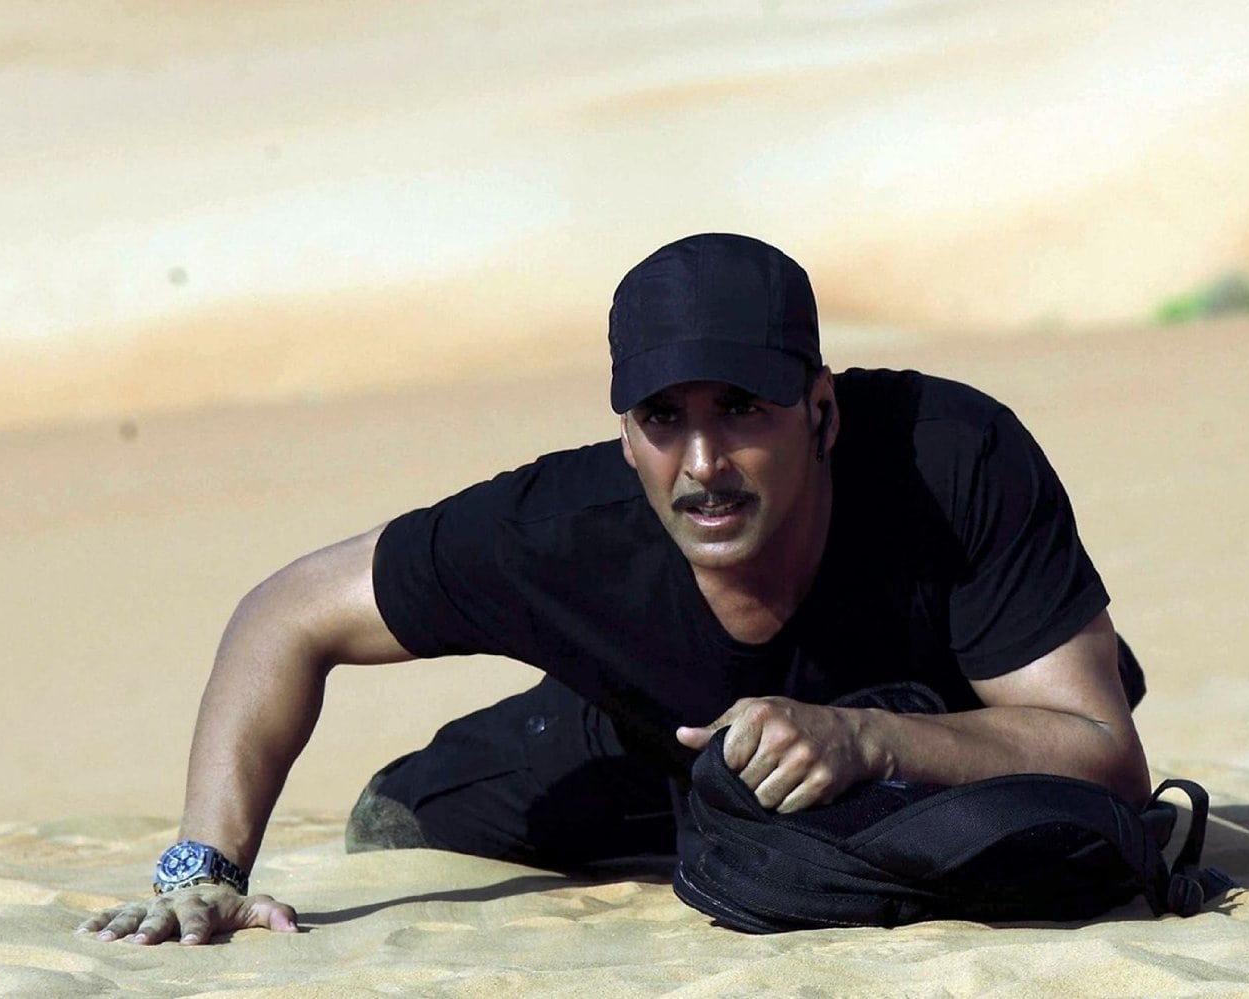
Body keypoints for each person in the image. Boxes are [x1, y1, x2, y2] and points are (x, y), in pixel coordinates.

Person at [79, 233, 1151, 946]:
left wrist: (864, 738)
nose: (703, 464)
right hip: (628, 741)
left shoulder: (955, 459)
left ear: (821, 410)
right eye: (662, 419)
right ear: (624, 434)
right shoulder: (556, 530)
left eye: (742, 408)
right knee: (399, 819)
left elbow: (1100, 749)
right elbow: (285, 613)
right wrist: (200, 868)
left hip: (926, 728)